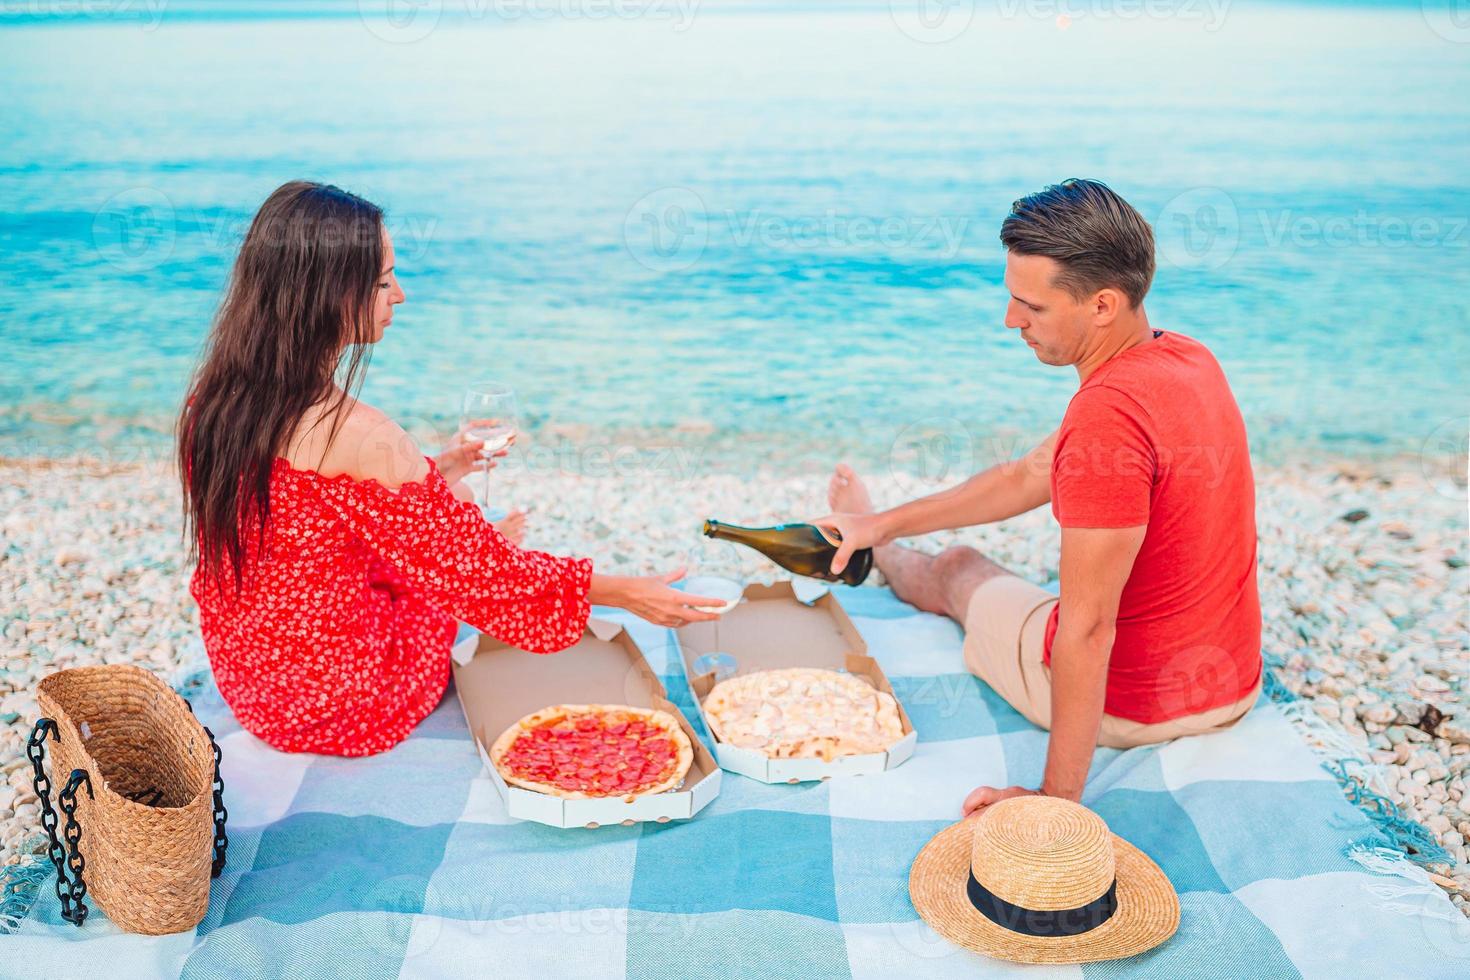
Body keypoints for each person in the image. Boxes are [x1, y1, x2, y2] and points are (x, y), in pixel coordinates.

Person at [178, 180, 722, 757]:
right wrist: (627, 593)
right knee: (445, 588)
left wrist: (450, 466)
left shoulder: (215, 399)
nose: (400, 296)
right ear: (330, 294)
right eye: (384, 281)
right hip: (335, 703)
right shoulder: (360, 433)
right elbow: (488, 579)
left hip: (253, 680)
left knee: (448, 541)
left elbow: (305, 518)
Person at [816, 179, 1262, 816]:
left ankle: (890, 563)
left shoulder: (1105, 417)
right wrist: (878, 521)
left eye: (1032, 306)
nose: (1010, 320)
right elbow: (1026, 477)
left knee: (959, 567)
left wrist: (1055, 801)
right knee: (1012, 565)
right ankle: (875, 535)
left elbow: (1086, 629)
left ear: (1103, 305)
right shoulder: (1188, 358)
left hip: (1137, 707)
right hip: (1230, 681)